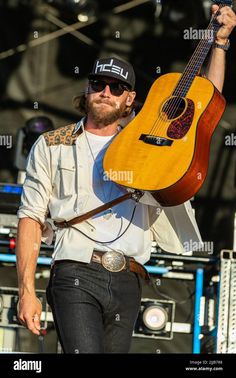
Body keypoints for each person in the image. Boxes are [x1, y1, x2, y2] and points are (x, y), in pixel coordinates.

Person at [16, 5, 236, 353]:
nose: (106, 91)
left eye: (116, 87)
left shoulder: (147, 142)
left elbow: (204, 103)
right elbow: (30, 217)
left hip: (129, 279)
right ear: (87, 91)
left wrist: (219, 44)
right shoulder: (52, 144)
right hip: (75, 271)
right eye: (98, 84)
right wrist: (27, 292)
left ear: (130, 98)